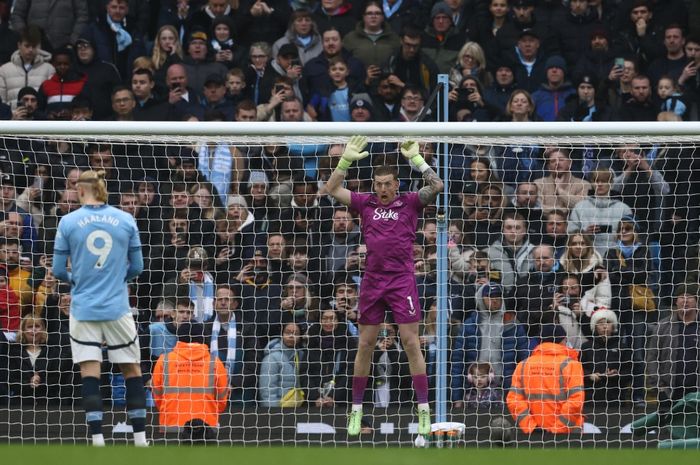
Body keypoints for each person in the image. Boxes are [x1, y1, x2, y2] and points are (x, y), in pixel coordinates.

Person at [322, 135, 444, 436]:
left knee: (411, 343)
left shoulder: (411, 202)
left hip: (402, 281)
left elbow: (438, 186)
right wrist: (345, 160)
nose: (383, 188)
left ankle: (424, 410)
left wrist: (417, 160)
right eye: (379, 183)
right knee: (364, 344)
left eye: (388, 183)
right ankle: (356, 411)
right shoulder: (365, 203)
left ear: (397, 184)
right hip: (373, 282)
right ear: (374, 184)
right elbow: (332, 188)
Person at [52, 170, 147, 447]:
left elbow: (58, 270)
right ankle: (140, 439)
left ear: (82, 190)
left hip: (83, 308)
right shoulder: (126, 219)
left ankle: (97, 439)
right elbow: (138, 267)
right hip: (117, 306)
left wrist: (78, 280)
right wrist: (118, 280)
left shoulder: (68, 221)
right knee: (132, 370)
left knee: (90, 372)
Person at [507, 324, 585, 435]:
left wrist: (531, 426)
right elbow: (576, 401)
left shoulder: (523, 365)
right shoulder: (572, 365)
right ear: (562, 340)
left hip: (534, 435)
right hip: (568, 433)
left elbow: (514, 400)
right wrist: (558, 429)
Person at [152, 322, 229, 430]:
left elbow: (157, 396)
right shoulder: (215, 362)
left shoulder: (163, 360)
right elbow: (222, 401)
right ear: (202, 336)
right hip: (205, 428)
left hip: (171, 426)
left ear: (179, 337)